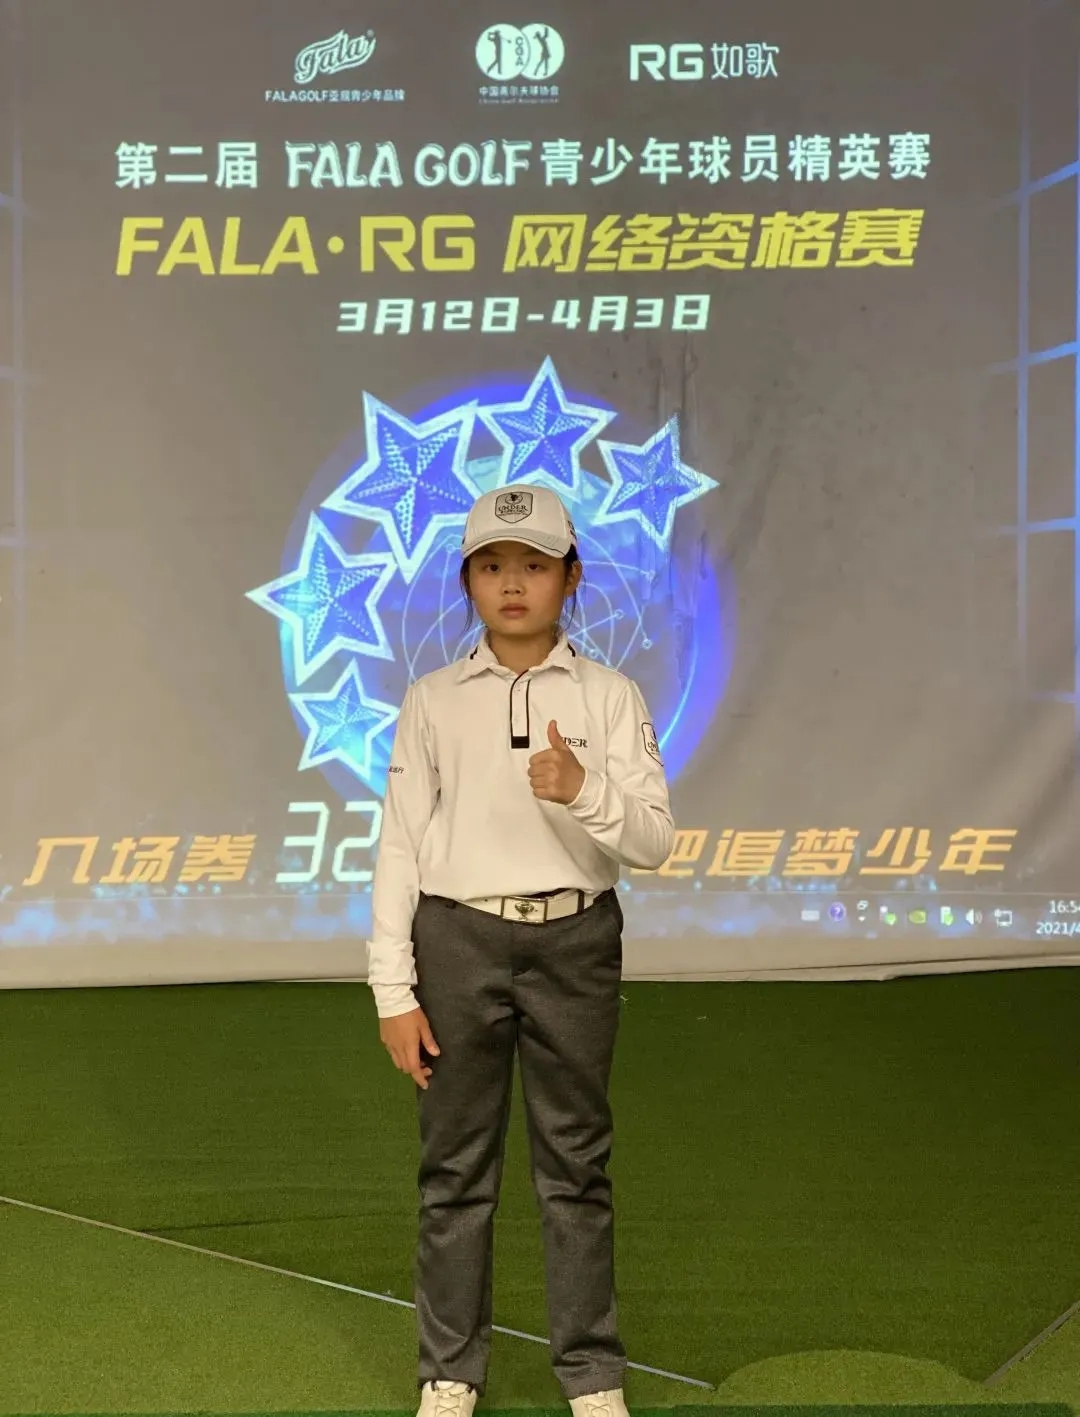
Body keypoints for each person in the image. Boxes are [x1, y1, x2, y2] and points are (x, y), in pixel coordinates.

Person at [368, 483, 675, 1417]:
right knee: (454, 1169)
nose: (512, 584)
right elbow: (400, 844)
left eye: (535, 565)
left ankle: (592, 1374)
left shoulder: (609, 696)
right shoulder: (432, 699)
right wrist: (393, 989)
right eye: (492, 565)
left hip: (576, 942)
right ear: (467, 580)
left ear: (571, 578)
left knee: (575, 1164)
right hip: (456, 939)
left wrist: (583, 788)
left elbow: (655, 841)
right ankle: (449, 1371)